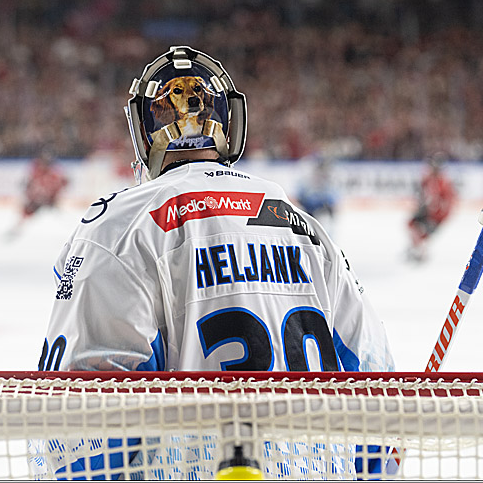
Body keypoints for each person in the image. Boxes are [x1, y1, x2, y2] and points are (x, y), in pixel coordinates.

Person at [34, 45, 396, 478]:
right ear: (230, 124)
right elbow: (376, 377)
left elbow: (81, 420)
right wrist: (379, 462)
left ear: (143, 133)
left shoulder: (118, 228)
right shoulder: (304, 227)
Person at [405, 153, 457, 264]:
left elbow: (443, 201)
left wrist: (436, 214)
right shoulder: (431, 180)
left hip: (436, 214)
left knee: (420, 229)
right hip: (432, 212)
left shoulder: (442, 183)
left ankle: (420, 251)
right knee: (414, 226)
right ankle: (418, 250)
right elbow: (423, 193)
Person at [5, 153, 68, 240]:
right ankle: (17, 229)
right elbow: (28, 184)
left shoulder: (54, 174)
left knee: (60, 217)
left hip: (48, 199)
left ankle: (69, 233)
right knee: (26, 213)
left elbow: (63, 183)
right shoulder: (37, 172)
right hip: (37, 199)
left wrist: (53, 198)